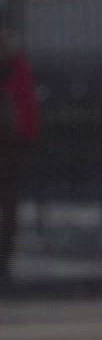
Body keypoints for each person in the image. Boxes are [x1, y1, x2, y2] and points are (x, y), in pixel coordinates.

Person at [0, 20, 42, 285]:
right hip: (13, 145)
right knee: (8, 207)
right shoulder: (18, 68)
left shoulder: (19, 69)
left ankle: (4, 260)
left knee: (9, 207)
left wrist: (27, 138)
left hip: (12, 147)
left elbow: (28, 108)